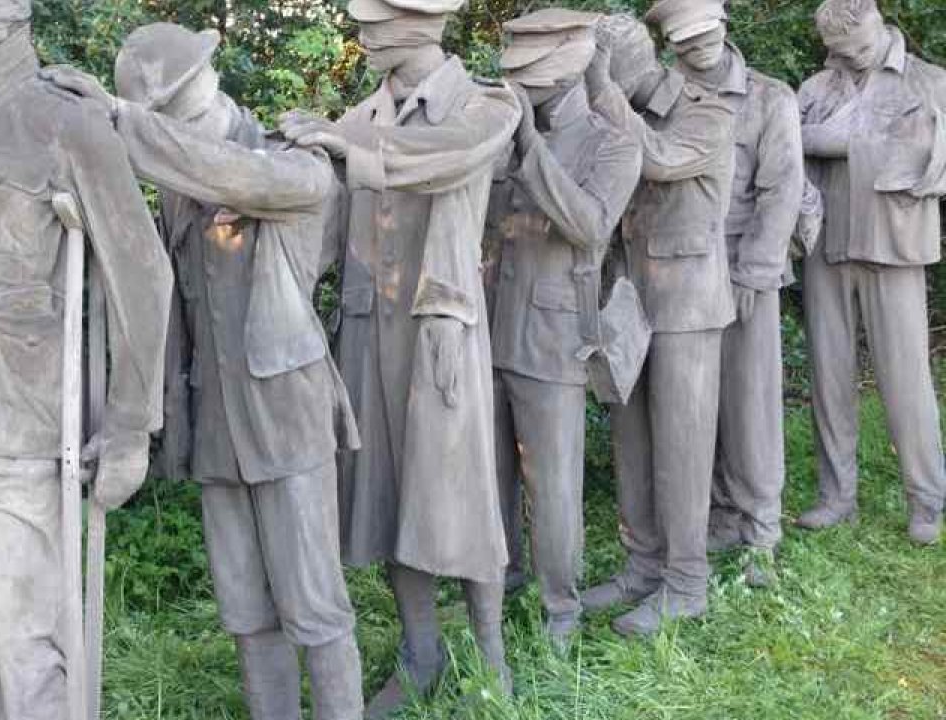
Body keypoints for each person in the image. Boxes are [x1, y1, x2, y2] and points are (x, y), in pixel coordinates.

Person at [43, 22, 365, 720]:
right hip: (215, 426)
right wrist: (141, 419)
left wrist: (120, 120)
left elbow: (228, 175)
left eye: (157, 116)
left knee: (315, 605)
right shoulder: (177, 188)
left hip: (286, 419)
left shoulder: (293, 164)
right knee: (246, 607)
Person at [0, 0, 172, 716]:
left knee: (31, 648)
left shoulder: (64, 121)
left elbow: (141, 273)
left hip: (20, 429)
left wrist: (131, 426)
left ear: (15, 22)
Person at [279, 0, 522, 708]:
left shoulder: (485, 106)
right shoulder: (359, 121)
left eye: (372, 24)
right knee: (385, 497)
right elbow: (321, 232)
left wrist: (342, 149)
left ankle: (490, 656)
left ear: (411, 26)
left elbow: (448, 160)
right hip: (366, 331)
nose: (361, 36)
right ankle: (422, 652)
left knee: (464, 496)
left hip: (440, 334)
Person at [578, 2, 741, 637]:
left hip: (689, 304)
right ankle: (642, 565)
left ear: (621, 69)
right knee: (634, 439)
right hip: (632, 299)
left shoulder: (710, 109)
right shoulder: (623, 111)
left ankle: (686, 582)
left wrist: (599, 89)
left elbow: (656, 159)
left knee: (684, 446)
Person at [485, 8, 641, 650]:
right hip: (485, 328)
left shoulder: (613, 142)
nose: (520, 86)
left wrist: (529, 144)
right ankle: (502, 585)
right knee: (490, 477)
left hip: (554, 336)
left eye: (532, 75)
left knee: (552, 488)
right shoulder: (500, 130)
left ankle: (561, 613)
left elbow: (588, 225)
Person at [796, 0, 946, 546]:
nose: (854, 58)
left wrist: (839, 142)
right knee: (829, 375)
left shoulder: (931, 84)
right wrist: (827, 142)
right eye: (842, 52)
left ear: (881, 26)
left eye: (861, 46)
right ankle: (838, 496)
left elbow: (929, 160)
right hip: (827, 245)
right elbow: (790, 153)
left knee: (907, 379)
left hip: (895, 246)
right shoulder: (816, 89)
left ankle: (926, 499)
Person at [706, 28, 807, 587]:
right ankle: (721, 516)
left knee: (752, 402)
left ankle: (762, 527)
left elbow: (782, 189)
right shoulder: (666, 93)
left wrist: (757, 270)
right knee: (700, 405)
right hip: (683, 272)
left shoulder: (770, 98)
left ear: (721, 23)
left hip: (744, 268)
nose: (694, 45)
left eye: (703, 30)